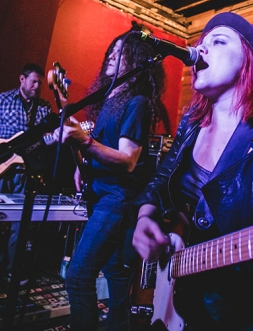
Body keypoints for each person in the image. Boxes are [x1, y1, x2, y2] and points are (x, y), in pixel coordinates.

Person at [131, 12, 253, 331]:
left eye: (218, 41)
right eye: (201, 43)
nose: (202, 49)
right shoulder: (190, 127)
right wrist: (144, 219)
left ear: (250, 62)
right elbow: (158, 182)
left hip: (247, 315)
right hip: (182, 305)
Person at [56, 27, 166, 331]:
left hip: (116, 200)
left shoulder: (137, 102)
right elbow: (100, 148)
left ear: (136, 60)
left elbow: (128, 160)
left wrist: (86, 142)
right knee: (116, 271)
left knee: (77, 276)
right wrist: (82, 164)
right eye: (112, 51)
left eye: (121, 53)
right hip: (100, 194)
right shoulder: (109, 99)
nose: (112, 56)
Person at [0, 63, 53, 293]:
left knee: (21, 227)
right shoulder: (2, 99)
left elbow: (44, 139)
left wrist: (55, 138)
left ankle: (13, 271)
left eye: (40, 83)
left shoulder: (44, 107)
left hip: (25, 173)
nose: (37, 87)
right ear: (21, 79)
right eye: (33, 81)